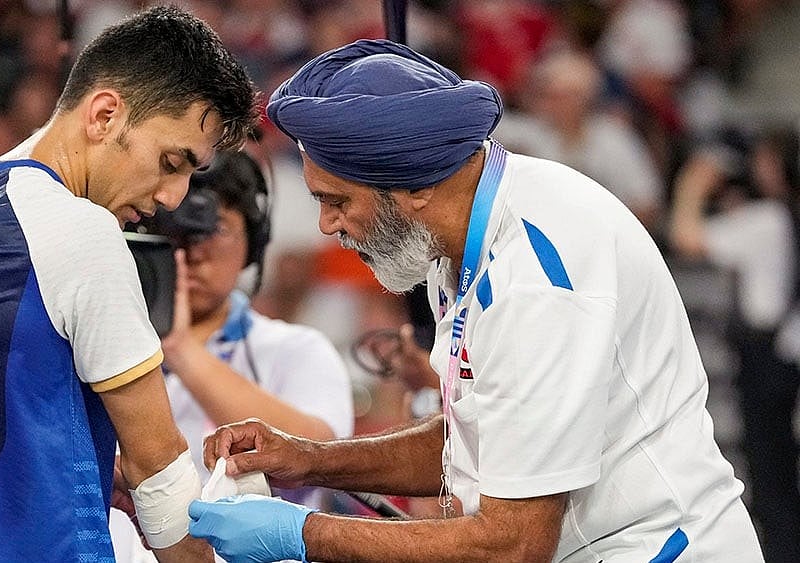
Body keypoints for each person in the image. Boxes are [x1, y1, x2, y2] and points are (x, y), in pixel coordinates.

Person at [185, 39, 764, 562]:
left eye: (336, 200)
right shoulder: (457, 238)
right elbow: (473, 441)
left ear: (410, 186)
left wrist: (303, 534)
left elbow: (512, 544)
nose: (327, 224)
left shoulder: (536, 280)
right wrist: (309, 459)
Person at [0, 6, 258, 562]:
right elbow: (156, 470)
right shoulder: (83, 231)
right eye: (171, 161)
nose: (173, 197)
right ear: (105, 114)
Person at [110, 149, 354, 562]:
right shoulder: (97, 349)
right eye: (173, 229)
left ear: (253, 244)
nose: (192, 251)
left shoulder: (294, 350)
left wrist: (181, 348)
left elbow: (321, 455)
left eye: (214, 228)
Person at [669, 127, 800, 563]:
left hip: (770, 361)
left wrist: (693, 183)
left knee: (773, 479)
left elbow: (686, 236)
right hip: (779, 357)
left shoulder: (767, 220)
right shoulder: (774, 216)